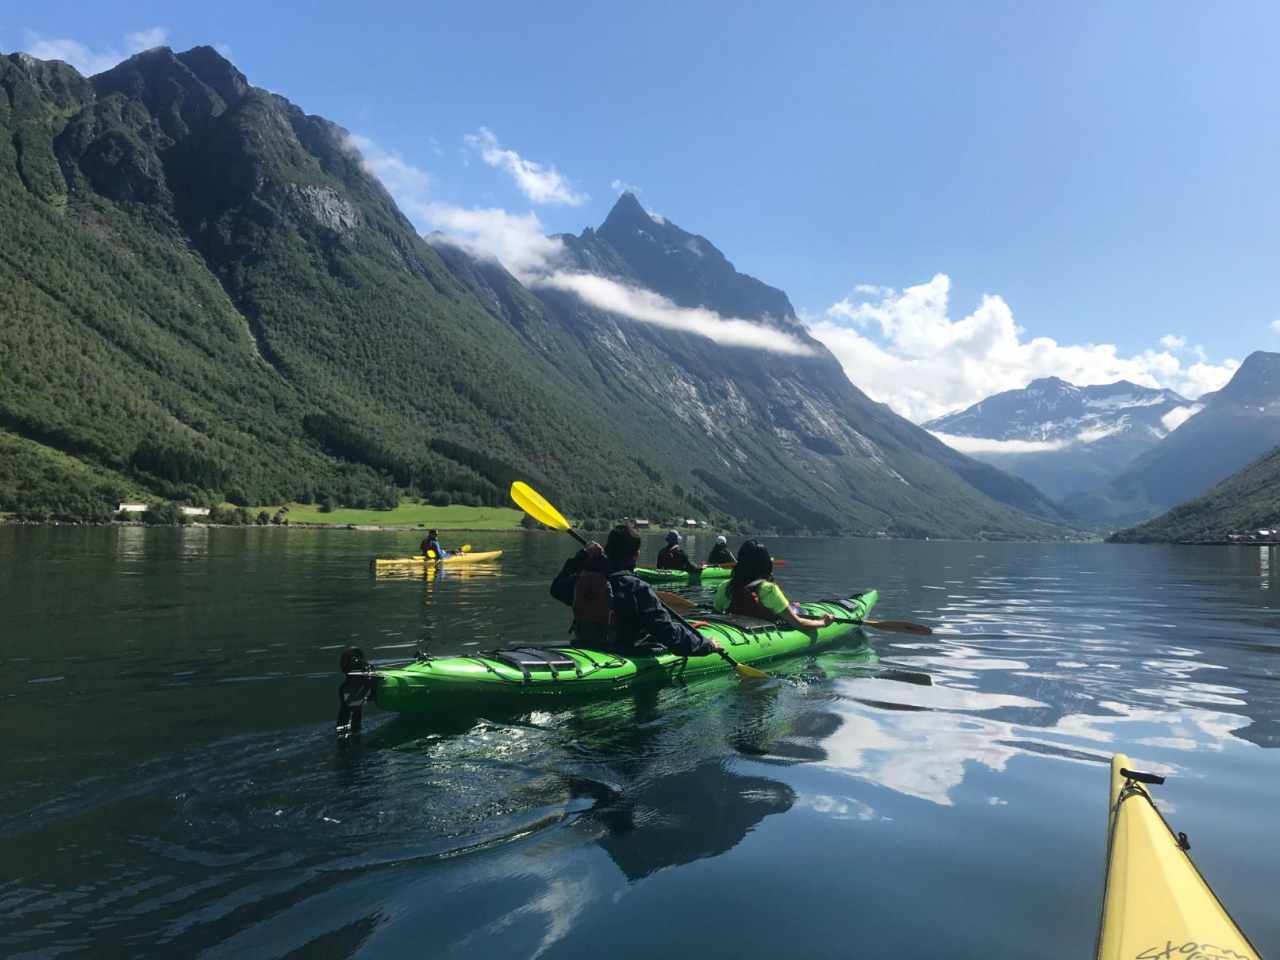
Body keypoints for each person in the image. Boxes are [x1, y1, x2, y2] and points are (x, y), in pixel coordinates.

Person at [551, 524, 722, 657]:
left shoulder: (585, 580)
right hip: (625, 653)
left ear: (606, 548)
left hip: (584, 643)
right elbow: (669, 635)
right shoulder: (636, 588)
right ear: (636, 555)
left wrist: (581, 556)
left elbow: (556, 588)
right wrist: (706, 645)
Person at [714, 540, 833, 630]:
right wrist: (823, 622)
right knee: (798, 611)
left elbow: (717, 615)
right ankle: (792, 607)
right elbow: (798, 623)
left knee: (794, 607)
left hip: (734, 627)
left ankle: (792, 606)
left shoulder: (725, 586)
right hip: (758, 632)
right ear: (765, 564)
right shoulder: (769, 589)